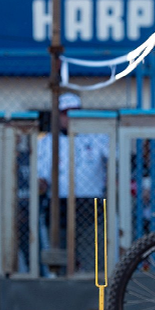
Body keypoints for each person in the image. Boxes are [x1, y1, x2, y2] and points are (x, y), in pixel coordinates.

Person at [37, 93, 109, 273]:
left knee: (94, 261)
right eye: (65, 113)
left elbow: (116, 160)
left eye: (74, 112)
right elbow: (40, 179)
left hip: (91, 204)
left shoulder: (97, 138)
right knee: (61, 261)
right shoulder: (46, 142)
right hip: (59, 205)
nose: (69, 117)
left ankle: (94, 289)